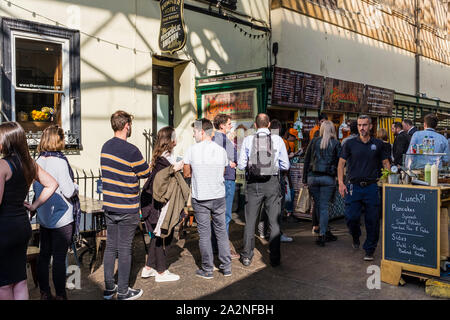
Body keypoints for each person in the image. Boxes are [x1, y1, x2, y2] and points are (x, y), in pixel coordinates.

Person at [0, 122, 58, 300]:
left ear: (7, 141)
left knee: (3, 283)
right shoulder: (29, 164)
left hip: (4, 229)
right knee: (19, 279)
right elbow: (53, 184)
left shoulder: (2, 165)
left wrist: (34, 205)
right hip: (22, 226)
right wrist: (33, 206)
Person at [101, 110, 150, 300]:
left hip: (110, 205)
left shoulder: (105, 147)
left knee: (111, 247)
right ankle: (123, 291)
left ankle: (108, 288)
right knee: (125, 248)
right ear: (127, 125)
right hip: (127, 207)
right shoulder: (131, 150)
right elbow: (145, 172)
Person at [34, 125, 80, 300]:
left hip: (44, 216)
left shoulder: (38, 160)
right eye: (62, 138)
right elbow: (68, 191)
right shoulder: (60, 162)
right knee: (60, 258)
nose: (65, 142)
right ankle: (61, 295)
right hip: (62, 218)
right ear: (57, 140)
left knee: (44, 256)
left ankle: (45, 293)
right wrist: (76, 186)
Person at [238, 113, 290, 267]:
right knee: (274, 221)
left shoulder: (248, 140)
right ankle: (274, 258)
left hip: (253, 184)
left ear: (255, 125)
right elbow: (285, 165)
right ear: (268, 125)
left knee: (250, 221)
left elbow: (241, 165)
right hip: (272, 183)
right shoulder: (277, 140)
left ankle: (247, 256)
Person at [183, 118, 232, 279]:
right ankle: (226, 267)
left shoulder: (192, 150)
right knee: (221, 231)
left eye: (195, 131)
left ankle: (207, 269)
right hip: (219, 196)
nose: (193, 135)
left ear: (202, 132)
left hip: (201, 197)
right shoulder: (221, 151)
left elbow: (186, 173)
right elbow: (223, 172)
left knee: (204, 234)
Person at [338, 115, 391, 261]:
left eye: (365, 125)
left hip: (372, 187)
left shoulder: (378, 144)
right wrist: (341, 183)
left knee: (373, 220)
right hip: (353, 186)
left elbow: (386, 163)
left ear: (371, 126)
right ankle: (355, 236)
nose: (362, 128)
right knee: (351, 217)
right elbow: (341, 164)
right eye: (360, 125)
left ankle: (369, 249)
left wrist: (384, 178)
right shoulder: (349, 144)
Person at [140, 126, 185, 282]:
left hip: (158, 203)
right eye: (175, 137)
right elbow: (162, 181)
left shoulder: (162, 157)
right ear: (171, 140)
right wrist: (175, 168)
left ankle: (148, 268)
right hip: (161, 204)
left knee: (158, 234)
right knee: (162, 235)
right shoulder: (164, 161)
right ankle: (160, 272)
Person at [303, 121, 341, 246]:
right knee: (324, 207)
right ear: (332, 130)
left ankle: (322, 229)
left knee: (318, 205)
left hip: (312, 178)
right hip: (328, 179)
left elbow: (306, 160)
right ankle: (323, 234)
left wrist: (304, 179)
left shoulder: (314, 141)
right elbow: (340, 163)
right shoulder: (335, 143)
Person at [258, 119, 293, 243]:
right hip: (276, 179)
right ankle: (277, 234)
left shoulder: (258, 140)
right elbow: (285, 166)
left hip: (260, 180)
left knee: (264, 206)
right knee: (277, 208)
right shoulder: (279, 141)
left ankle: (262, 230)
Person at [211, 114, 239, 260]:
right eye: (229, 124)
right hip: (226, 178)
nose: (231, 126)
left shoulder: (217, 139)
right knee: (225, 215)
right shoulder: (221, 140)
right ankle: (224, 248)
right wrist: (230, 162)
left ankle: (215, 245)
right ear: (221, 125)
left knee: (218, 214)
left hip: (222, 178)